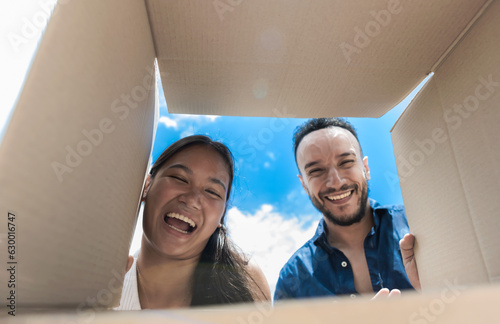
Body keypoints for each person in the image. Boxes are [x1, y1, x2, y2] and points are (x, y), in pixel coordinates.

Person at [116, 135, 271, 310]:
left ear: (221, 217)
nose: (192, 200)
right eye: (180, 178)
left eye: (212, 192)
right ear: (146, 187)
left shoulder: (245, 280)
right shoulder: (105, 282)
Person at [274, 118, 419, 301]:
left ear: (365, 168)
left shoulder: (417, 223)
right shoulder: (292, 280)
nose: (336, 182)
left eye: (346, 162)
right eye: (316, 171)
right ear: (304, 185)